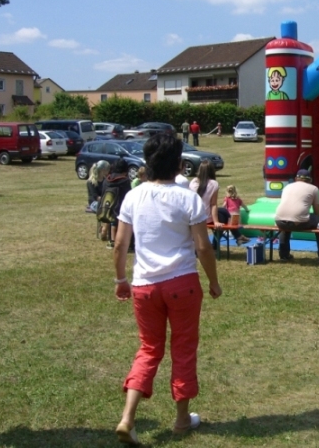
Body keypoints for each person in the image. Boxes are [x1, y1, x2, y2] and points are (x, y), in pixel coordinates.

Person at [112, 133, 222, 444]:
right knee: (183, 347)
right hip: (182, 282)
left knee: (149, 349)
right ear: (178, 163)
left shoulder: (133, 196)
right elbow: (203, 247)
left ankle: (127, 418)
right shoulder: (188, 197)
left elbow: (120, 244)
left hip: (144, 285)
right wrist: (214, 281)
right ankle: (182, 419)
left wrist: (120, 280)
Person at [274, 169, 319, 263]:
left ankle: (284, 255)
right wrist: (315, 220)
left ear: (296, 178)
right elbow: (317, 211)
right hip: (298, 222)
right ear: (310, 180)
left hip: (279, 220)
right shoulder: (313, 189)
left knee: (286, 222)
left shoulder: (287, 187)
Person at [189, 161, 249, 245]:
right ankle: (221, 242)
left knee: (224, 211)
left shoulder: (193, 182)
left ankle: (238, 236)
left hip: (194, 216)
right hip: (206, 218)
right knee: (224, 217)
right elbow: (213, 204)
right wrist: (216, 221)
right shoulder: (213, 184)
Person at [101, 159, 132, 249]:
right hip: (119, 210)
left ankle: (110, 239)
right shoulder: (125, 181)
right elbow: (128, 197)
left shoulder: (107, 180)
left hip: (105, 208)